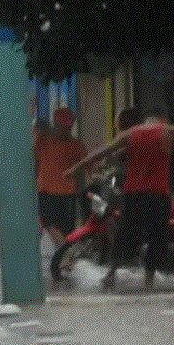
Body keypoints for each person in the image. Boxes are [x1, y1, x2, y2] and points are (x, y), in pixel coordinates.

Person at [75, 108, 172, 290]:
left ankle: (111, 273)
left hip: (134, 193)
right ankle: (148, 282)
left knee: (125, 233)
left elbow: (103, 151)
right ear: (162, 119)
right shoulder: (167, 132)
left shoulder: (131, 134)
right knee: (157, 236)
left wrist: (76, 168)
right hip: (158, 194)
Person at [35, 107, 87, 248]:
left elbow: (87, 167)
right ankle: (64, 251)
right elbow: (34, 162)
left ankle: (65, 252)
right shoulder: (43, 141)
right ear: (56, 125)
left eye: (69, 128)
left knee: (67, 228)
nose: (66, 130)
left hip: (67, 194)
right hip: (46, 192)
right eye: (64, 127)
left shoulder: (76, 145)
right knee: (48, 223)